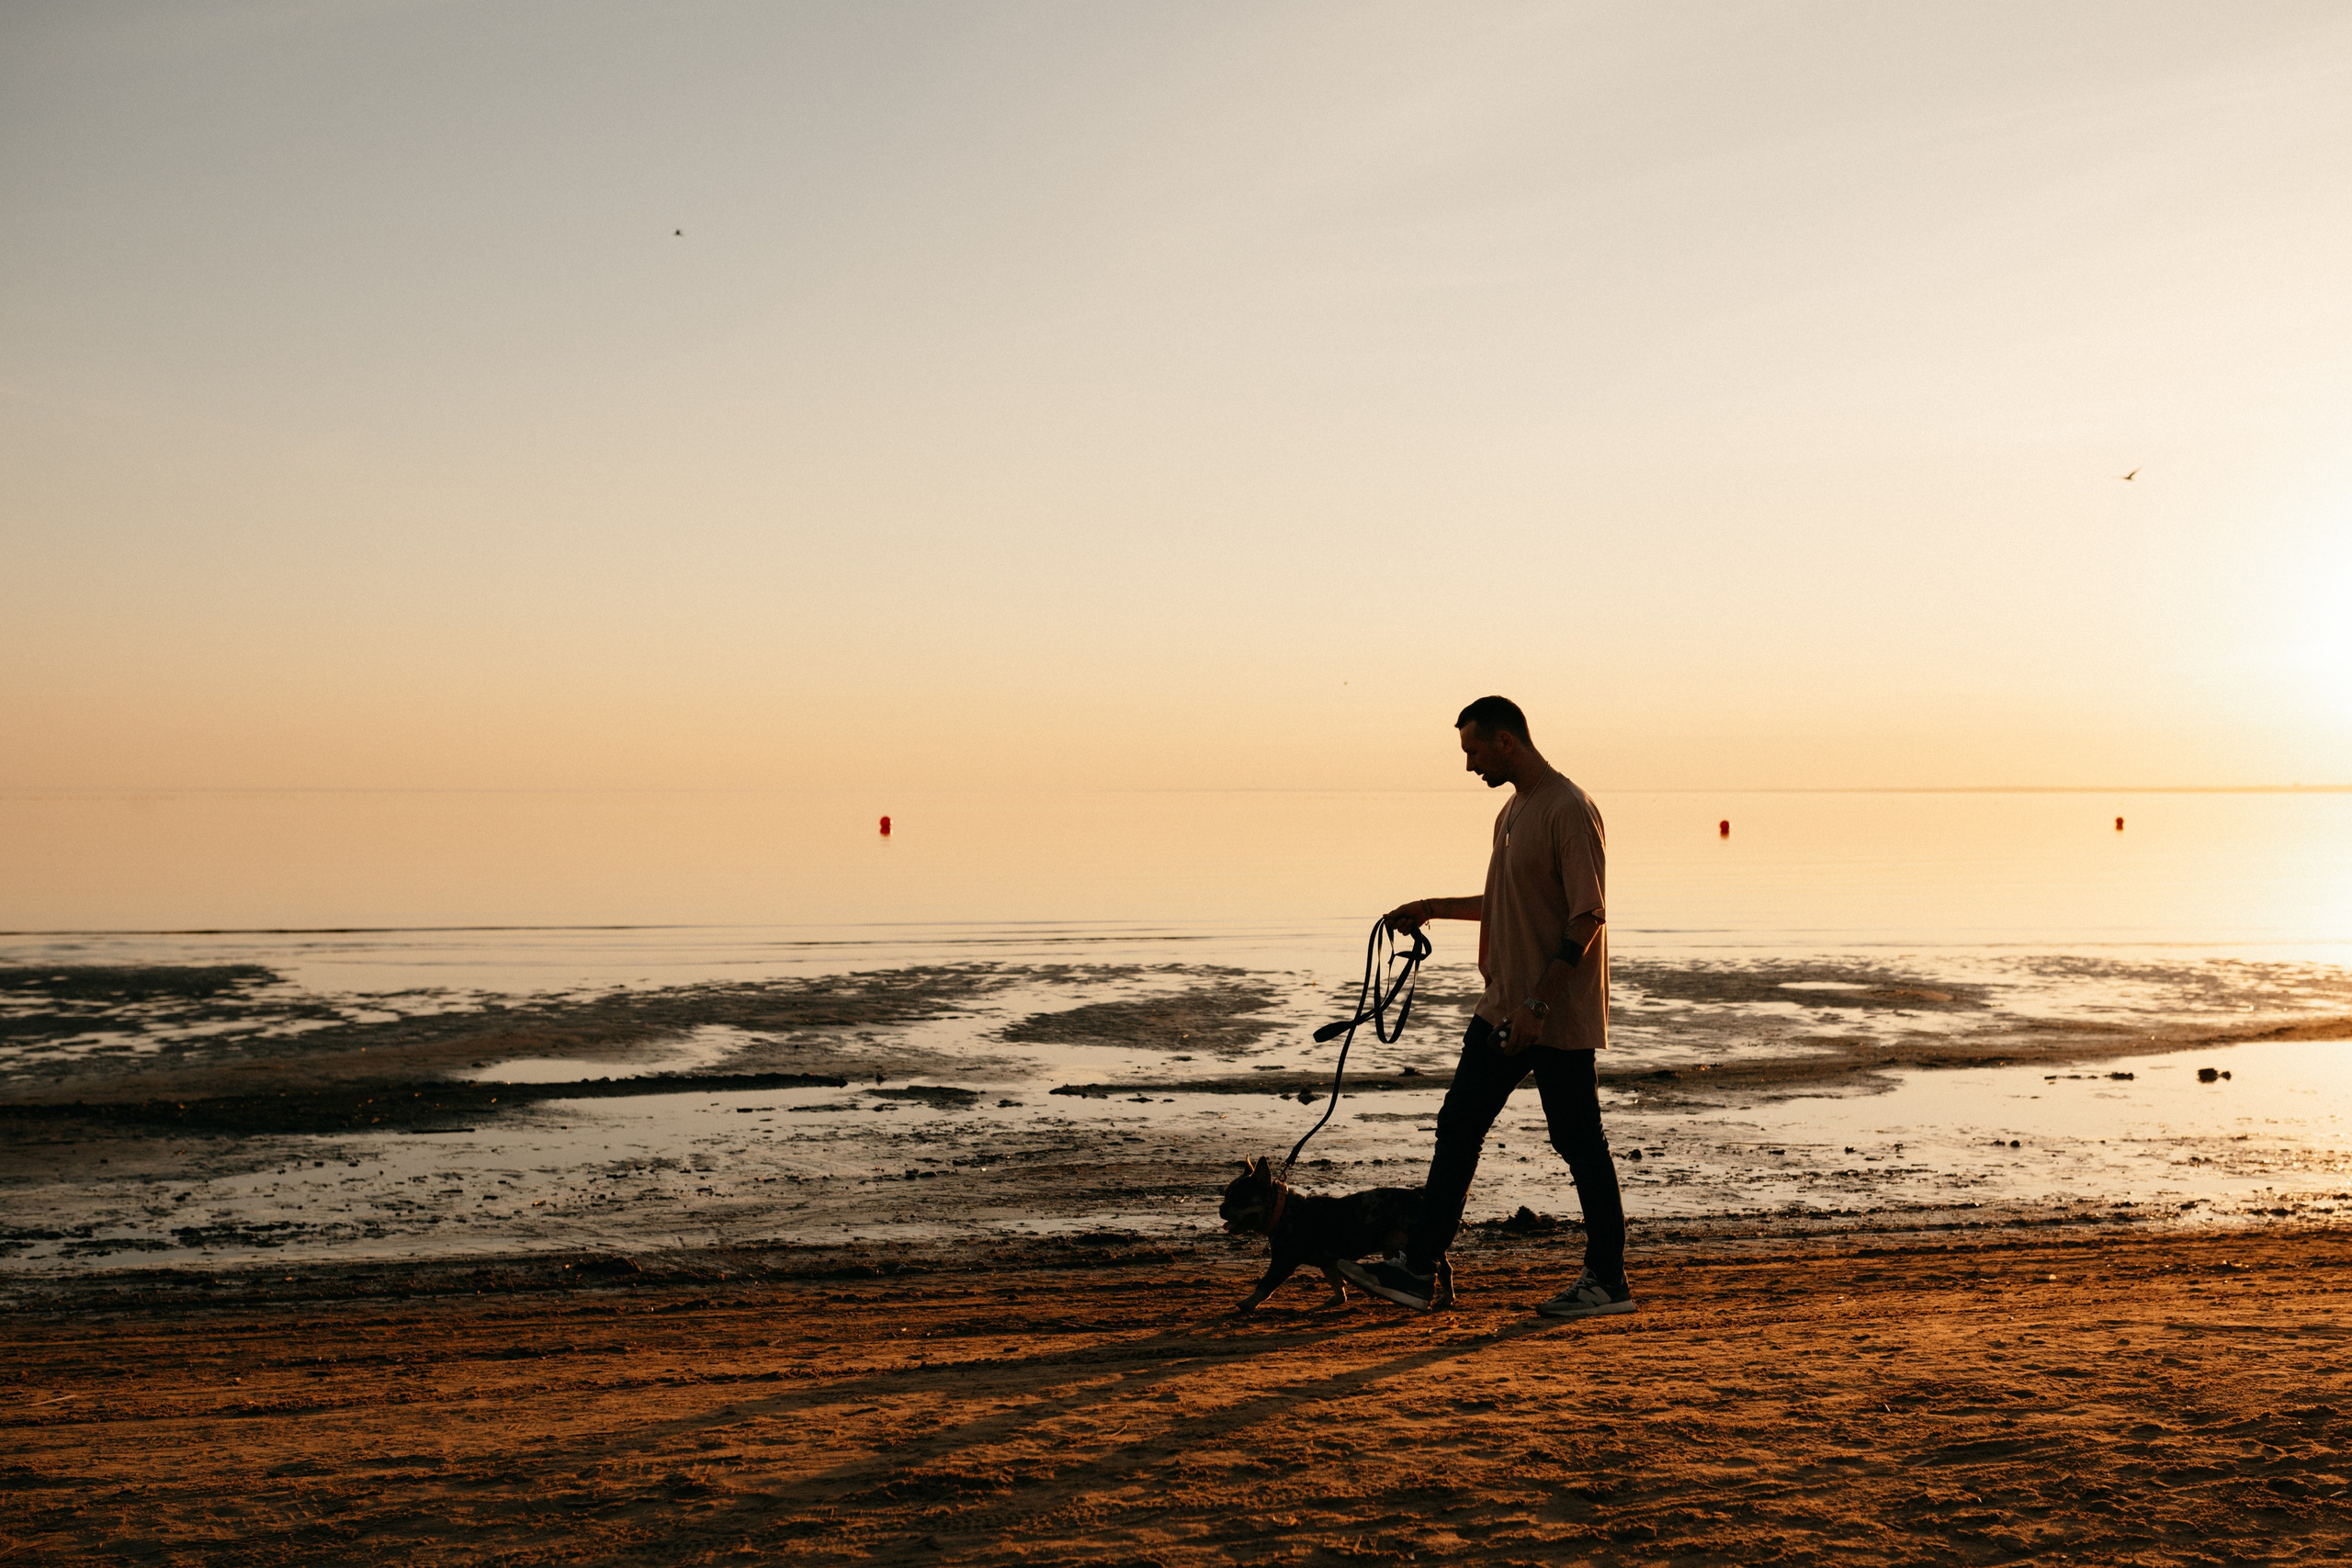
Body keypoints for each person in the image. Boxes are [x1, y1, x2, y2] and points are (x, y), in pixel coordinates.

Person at [1337, 695, 1632, 1318]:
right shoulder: (1511, 810)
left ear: (1506, 742)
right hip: (1502, 1007)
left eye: (1474, 750)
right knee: (1459, 1126)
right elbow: (1504, 899)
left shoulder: (1568, 809)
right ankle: (1418, 1269)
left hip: (1551, 1016)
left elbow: (1588, 916)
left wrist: (1538, 1004)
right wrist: (1430, 908)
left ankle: (1607, 1282)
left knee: (1580, 1144)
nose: (1469, 764)